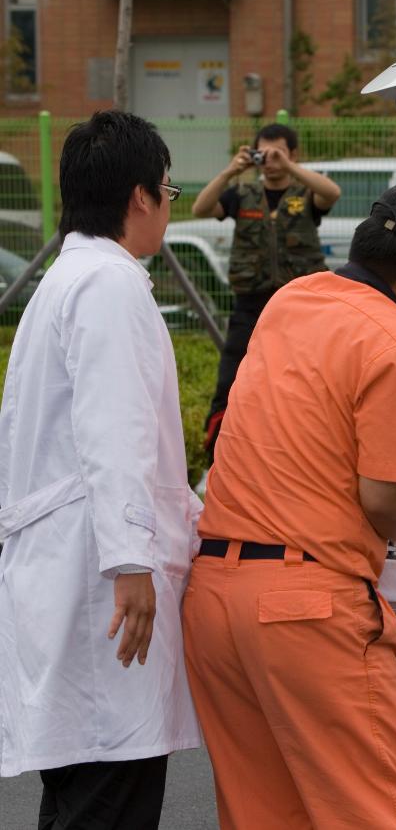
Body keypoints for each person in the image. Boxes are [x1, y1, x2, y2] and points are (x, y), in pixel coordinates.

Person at [182, 184, 396, 828]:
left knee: (265, 812)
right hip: (304, 609)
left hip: (214, 595)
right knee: (374, 813)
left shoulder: (291, 300)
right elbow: (383, 497)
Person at [0, 111, 202, 828]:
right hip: (101, 586)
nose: (170, 206)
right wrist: (130, 561)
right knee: (108, 797)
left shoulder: (65, 280)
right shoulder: (110, 286)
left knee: (79, 797)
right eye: (170, 190)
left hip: (65, 576)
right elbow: (113, 432)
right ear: (141, 196)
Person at [192, 122, 341, 460]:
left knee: (306, 382)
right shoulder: (241, 194)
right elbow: (201, 208)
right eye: (265, 153)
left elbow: (332, 193)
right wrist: (231, 171)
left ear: (292, 154)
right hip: (251, 302)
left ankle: (306, 449)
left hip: (302, 306)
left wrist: (289, 168)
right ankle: (217, 451)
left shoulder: (305, 194)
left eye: (279, 153)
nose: (270, 161)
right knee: (231, 380)